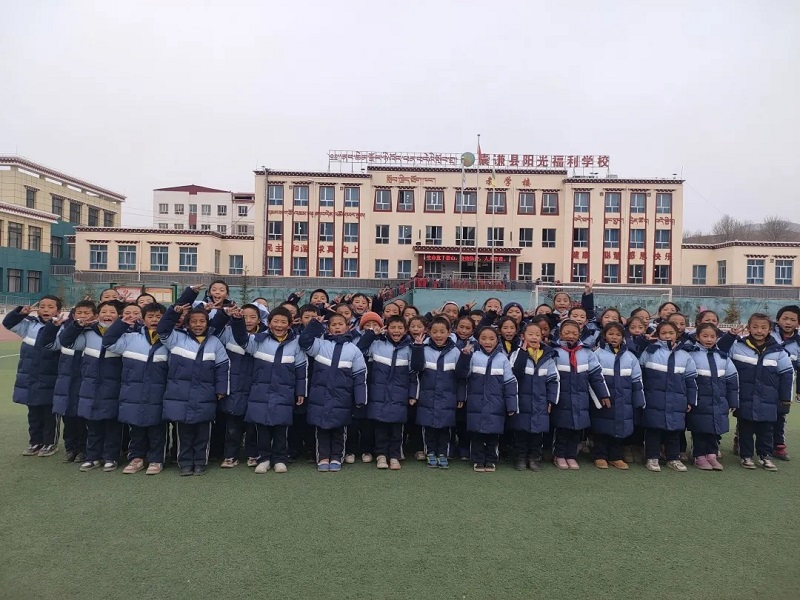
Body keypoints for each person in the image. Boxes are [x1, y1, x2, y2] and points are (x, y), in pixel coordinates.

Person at [157, 303, 230, 476]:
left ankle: (200, 462)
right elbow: (163, 329)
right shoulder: (176, 338)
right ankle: (185, 463)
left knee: (203, 433)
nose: (198, 325)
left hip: (205, 395)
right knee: (184, 433)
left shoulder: (214, 342)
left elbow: (223, 366)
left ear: (207, 323)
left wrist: (221, 389)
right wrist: (174, 312)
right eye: (194, 321)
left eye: (202, 321)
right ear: (187, 324)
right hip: (180, 394)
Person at [232, 307, 307, 474]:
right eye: (276, 321)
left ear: (289, 325)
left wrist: (300, 391)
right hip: (260, 392)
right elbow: (241, 339)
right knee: (262, 429)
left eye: (283, 322)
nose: (279, 325)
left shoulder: (296, 343)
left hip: (284, 393)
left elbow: (301, 369)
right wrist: (237, 321)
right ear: (269, 323)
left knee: (281, 429)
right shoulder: (259, 340)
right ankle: (263, 459)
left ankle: (280, 459)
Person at [103, 302, 169, 475]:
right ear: (143, 319)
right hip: (133, 392)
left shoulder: (169, 340)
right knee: (136, 427)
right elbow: (108, 342)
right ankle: (136, 458)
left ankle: (156, 459)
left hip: (159, 392)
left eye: (159, 316)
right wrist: (121, 324)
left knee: (157, 429)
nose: (154, 320)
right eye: (150, 316)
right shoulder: (130, 338)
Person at [59, 300, 124, 472]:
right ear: (97, 315)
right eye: (104, 312)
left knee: (112, 424)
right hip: (91, 385)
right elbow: (66, 341)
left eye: (112, 312)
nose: (107, 315)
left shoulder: (125, 334)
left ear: (119, 316)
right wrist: (77, 326)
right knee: (93, 424)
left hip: (114, 386)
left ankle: (111, 456)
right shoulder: (88, 333)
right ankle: (92, 457)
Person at [723, 313, 793, 471]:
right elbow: (720, 353)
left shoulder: (779, 351)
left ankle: (765, 456)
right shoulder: (737, 346)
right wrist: (730, 336)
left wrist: (785, 400)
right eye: (755, 327)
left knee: (766, 431)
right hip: (744, 398)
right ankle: (746, 456)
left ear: (770, 330)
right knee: (745, 430)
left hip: (769, 400)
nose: (759, 331)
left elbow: (787, 376)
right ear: (748, 328)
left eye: (763, 327)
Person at [299, 314, 367, 472]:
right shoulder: (320, 345)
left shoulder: (354, 350)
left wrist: (360, 399)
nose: (337, 327)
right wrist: (314, 325)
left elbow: (360, 376)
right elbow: (304, 342)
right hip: (320, 396)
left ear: (348, 327)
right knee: (321, 429)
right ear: (328, 328)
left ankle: (337, 457)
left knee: (339, 430)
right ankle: (323, 457)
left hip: (342, 397)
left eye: (340, 324)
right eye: (333, 325)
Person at [3, 296, 63, 457]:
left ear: (58, 311)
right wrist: (20, 313)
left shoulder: (62, 328)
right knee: (33, 412)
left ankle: (50, 443)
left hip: (51, 377)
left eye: (50, 307)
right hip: (30, 375)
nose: (46, 310)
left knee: (50, 412)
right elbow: (8, 323)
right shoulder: (30, 325)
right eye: (42, 306)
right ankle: (35, 442)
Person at [456, 326, 518, 472]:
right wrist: (465, 357)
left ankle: (491, 459)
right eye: (483, 338)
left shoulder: (502, 358)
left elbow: (510, 382)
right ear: (478, 340)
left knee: (493, 434)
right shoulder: (473, 356)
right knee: (476, 434)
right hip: (475, 403)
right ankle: (478, 460)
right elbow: (461, 374)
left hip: (496, 404)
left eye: (491, 338)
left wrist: (511, 405)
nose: (487, 342)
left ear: (497, 340)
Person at [639, 321, 698, 473]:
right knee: (653, 430)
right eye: (663, 333)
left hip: (677, 401)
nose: (667, 336)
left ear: (677, 334)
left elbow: (691, 380)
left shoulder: (685, 355)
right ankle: (652, 457)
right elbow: (641, 375)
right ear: (658, 335)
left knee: (674, 431)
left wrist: (691, 400)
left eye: (671, 333)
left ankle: (673, 458)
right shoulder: (650, 351)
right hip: (653, 399)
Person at [551, 320, 610, 470]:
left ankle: (571, 455)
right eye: (567, 332)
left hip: (581, 398)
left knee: (577, 429)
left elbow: (596, 375)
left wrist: (603, 394)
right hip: (562, 398)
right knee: (562, 428)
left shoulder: (587, 352)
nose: (570, 336)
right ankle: (559, 454)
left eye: (574, 333)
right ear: (560, 334)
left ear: (580, 334)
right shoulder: (554, 351)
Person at [360, 315, 416, 470]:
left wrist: (412, 394)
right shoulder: (377, 344)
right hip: (378, 394)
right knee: (380, 428)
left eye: (400, 328)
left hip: (399, 395)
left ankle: (395, 456)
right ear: (386, 328)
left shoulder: (410, 348)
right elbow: (360, 350)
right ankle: (381, 455)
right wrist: (372, 334)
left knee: (397, 429)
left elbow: (413, 374)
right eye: (393, 327)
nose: (396, 331)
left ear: (405, 330)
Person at [410, 317, 466, 469]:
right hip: (427, 397)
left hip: (448, 398)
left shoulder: (455, 351)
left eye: (442, 331)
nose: (438, 335)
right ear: (428, 332)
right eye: (434, 332)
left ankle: (443, 453)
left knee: (445, 428)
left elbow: (461, 376)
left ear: (449, 332)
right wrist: (417, 348)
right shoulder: (423, 348)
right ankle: (430, 452)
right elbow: (416, 368)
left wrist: (461, 396)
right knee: (428, 428)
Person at [590, 323, 645, 470]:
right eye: (611, 334)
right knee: (601, 427)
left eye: (618, 335)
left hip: (624, 400)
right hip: (603, 399)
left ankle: (616, 456)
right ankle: (600, 455)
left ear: (623, 337)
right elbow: (592, 377)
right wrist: (601, 395)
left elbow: (637, 379)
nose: (614, 337)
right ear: (604, 336)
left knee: (620, 428)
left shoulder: (630, 357)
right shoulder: (597, 354)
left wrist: (639, 400)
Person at [686, 324, 739, 471]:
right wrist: (690, 399)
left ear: (717, 338)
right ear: (697, 337)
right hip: (699, 401)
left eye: (712, 336)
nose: (709, 339)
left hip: (719, 401)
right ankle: (699, 456)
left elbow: (732, 379)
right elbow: (687, 379)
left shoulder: (723, 356)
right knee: (700, 429)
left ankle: (712, 455)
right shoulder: (690, 355)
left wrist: (732, 401)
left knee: (715, 429)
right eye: (705, 336)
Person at [216, 304, 263, 469]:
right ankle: (230, 455)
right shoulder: (228, 333)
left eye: (253, 317)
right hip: (234, 386)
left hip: (255, 387)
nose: (248, 321)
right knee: (232, 426)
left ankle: (253, 454)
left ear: (259, 319)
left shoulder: (264, 337)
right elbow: (213, 333)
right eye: (244, 317)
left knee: (253, 425)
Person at [509, 322, 559, 471]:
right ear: (523, 336)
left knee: (537, 433)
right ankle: (520, 458)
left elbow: (553, 380)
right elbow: (514, 375)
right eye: (530, 334)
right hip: (521, 401)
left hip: (540, 402)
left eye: (537, 334)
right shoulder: (516, 354)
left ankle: (534, 458)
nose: (534, 337)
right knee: (521, 432)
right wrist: (523, 353)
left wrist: (551, 400)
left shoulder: (548, 357)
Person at [769, 305, 800, 460]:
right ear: (778, 319)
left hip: (785, 385)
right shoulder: (768, 334)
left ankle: (778, 446)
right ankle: (740, 440)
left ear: (798, 323)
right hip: (763, 381)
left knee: (780, 414)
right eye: (785, 318)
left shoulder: (798, 343)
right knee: (752, 411)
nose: (788, 322)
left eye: (793, 320)